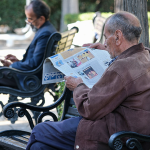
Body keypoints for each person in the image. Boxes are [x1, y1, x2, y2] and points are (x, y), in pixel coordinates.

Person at [26, 11, 150, 150]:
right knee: (40, 147)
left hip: (113, 134)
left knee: (39, 131)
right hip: (128, 131)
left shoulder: (122, 68)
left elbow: (89, 108)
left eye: (105, 37)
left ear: (117, 36)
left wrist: (78, 86)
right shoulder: (145, 55)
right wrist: (105, 49)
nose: (104, 43)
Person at [0, 0, 56, 89]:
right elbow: (36, 62)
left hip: (29, 80)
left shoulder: (45, 34)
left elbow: (34, 64)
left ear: (41, 18)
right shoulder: (47, 29)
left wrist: (12, 66)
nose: (28, 22)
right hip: (30, 76)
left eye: (30, 19)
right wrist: (18, 62)